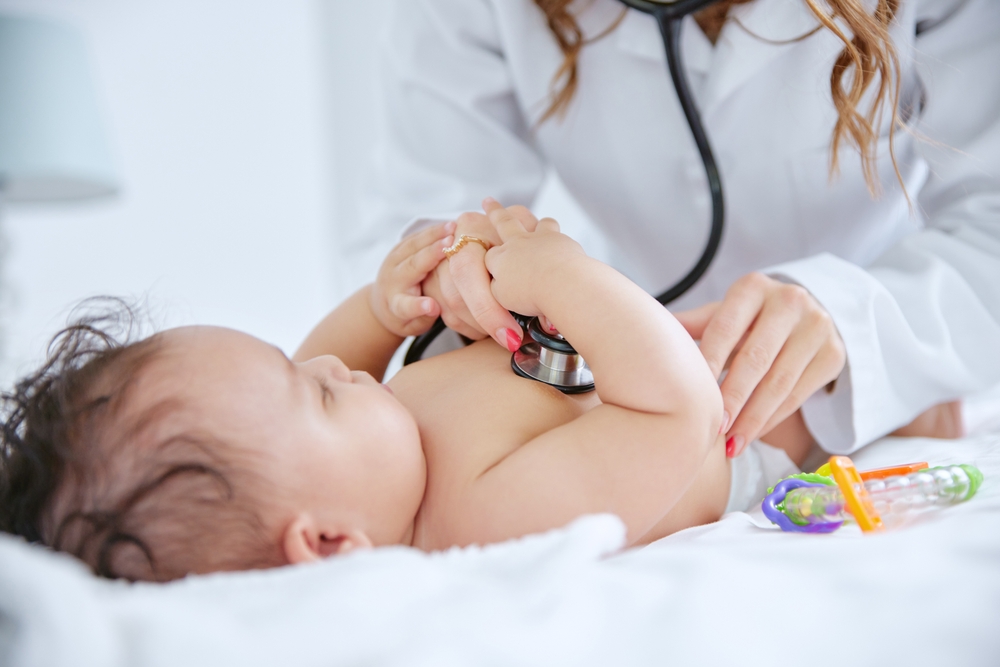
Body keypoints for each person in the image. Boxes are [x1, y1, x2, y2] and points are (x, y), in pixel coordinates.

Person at [1, 202, 820, 582]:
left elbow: (322, 354)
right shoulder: (476, 521)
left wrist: (384, 303)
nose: (326, 366)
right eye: (313, 394)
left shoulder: (355, 453)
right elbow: (678, 416)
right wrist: (567, 278)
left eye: (294, 364)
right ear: (327, 542)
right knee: (798, 404)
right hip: (734, 434)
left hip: (620, 357)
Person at [344, 0, 1000, 460]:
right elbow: (415, 226)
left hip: (883, 315)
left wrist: (858, 326)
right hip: (631, 352)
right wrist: (450, 261)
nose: (328, 382)